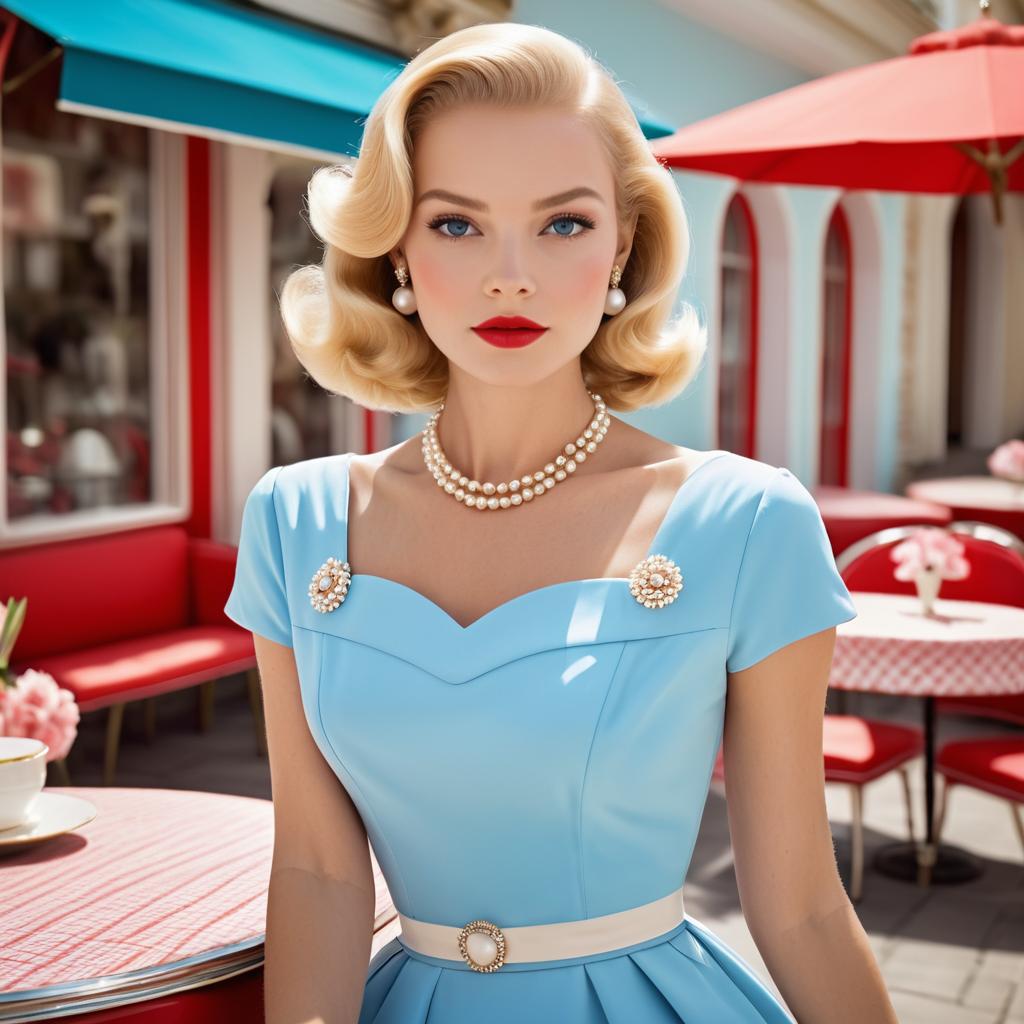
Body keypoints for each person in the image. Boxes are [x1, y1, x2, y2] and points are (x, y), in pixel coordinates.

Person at [224, 21, 899, 1024]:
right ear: (395, 245)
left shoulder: (746, 520)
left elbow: (797, 904)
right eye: (456, 223)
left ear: (623, 241)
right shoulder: (296, 520)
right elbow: (319, 870)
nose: (511, 275)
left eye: (563, 223)